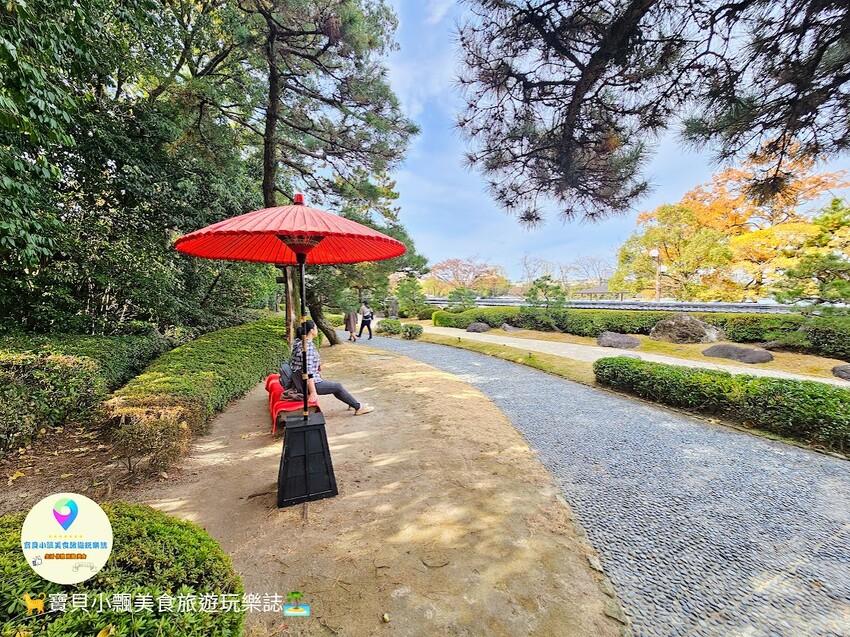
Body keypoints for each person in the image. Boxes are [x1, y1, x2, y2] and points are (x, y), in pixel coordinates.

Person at [291, 320, 374, 414]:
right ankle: (358, 407)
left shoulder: (300, 342)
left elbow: (302, 363)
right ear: (311, 331)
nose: (317, 330)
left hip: (300, 380)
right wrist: (313, 392)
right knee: (337, 387)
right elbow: (308, 371)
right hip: (305, 383)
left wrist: (317, 365)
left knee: (336, 386)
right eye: (316, 328)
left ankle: (350, 401)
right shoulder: (307, 347)